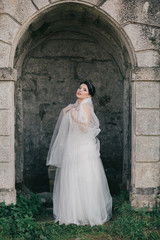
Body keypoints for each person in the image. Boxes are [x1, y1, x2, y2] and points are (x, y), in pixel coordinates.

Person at [46, 81, 112, 226]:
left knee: (84, 178)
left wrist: (74, 117)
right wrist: (68, 110)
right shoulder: (77, 106)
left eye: (84, 89)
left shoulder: (86, 107)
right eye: (79, 88)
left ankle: (87, 213)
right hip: (73, 145)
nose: (80, 90)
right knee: (72, 179)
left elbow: (85, 128)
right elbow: (66, 120)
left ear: (89, 94)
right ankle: (74, 213)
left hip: (83, 148)